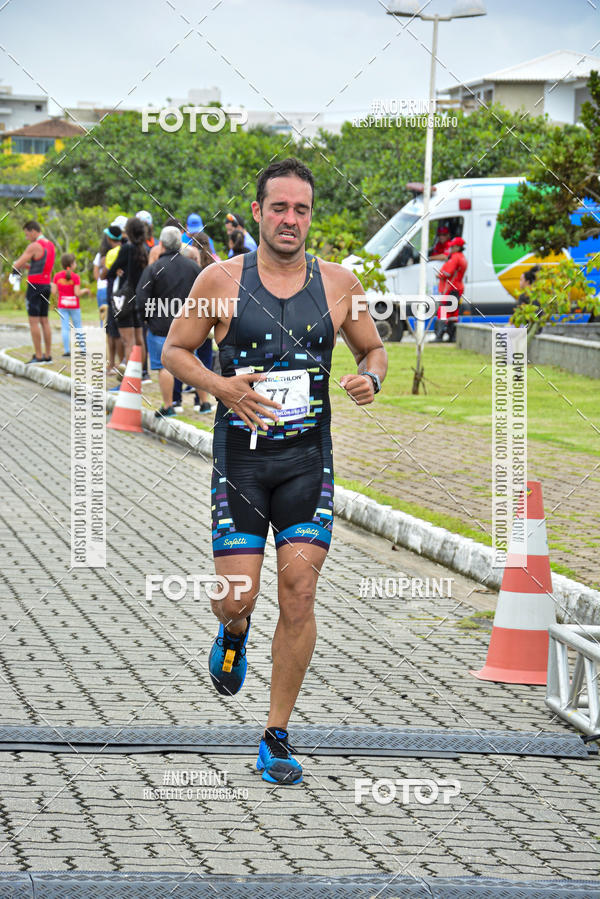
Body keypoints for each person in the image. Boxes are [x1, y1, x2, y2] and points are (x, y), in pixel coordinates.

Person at [163, 157, 387, 785]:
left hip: (307, 465)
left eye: (302, 209)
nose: (291, 220)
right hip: (242, 463)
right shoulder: (218, 279)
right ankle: (233, 634)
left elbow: (373, 347)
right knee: (239, 597)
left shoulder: (340, 284)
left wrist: (369, 377)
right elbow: (177, 350)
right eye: (279, 208)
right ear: (257, 213)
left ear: (311, 216)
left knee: (300, 594)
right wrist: (222, 388)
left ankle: (275, 735)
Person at [135, 226, 201, 418]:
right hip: (188, 325)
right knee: (193, 363)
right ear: (180, 244)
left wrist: (147, 319)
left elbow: (141, 297)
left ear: (161, 244)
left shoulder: (154, 268)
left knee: (164, 367)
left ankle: (168, 406)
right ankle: (204, 403)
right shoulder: (193, 267)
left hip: (160, 326)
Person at [106, 216, 148, 366]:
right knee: (139, 339)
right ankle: (141, 374)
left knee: (127, 340)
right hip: (140, 297)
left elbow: (110, 272)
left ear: (128, 232)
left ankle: (130, 379)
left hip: (125, 298)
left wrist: (116, 270)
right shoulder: (144, 249)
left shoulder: (127, 248)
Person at [12, 220, 56, 364]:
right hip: (46, 285)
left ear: (33, 231)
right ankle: (48, 356)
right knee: (45, 321)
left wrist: (17, 266)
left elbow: (16, 264)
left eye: (26, 234)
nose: (26, 238)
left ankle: (38, 356)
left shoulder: (34, 245)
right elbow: (41, 265)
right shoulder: (50, 245)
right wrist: (29, 266)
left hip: (35, 286)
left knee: (33, 322)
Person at [434, 236, 467, 342]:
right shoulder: (462, 257)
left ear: (458, 247)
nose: (450, 249)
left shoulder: (455, 257)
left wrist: (439, 274)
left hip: (450, 288)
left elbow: (447, 272)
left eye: (452, 247)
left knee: (443, 311)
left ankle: (439, 335)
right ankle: (452, 336)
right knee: (453, 313)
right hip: (458, 288)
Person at [51, 254, 82, 356]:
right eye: (75, 262)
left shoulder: (57, 276)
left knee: (65, 328)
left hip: (62, 305)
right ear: (72, 264)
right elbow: (77, 293)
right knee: (78, 327)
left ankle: (67, 350)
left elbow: (54, 292)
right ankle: (83, 349)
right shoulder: (76, 277)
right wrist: (85, 291)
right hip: (75, 306)